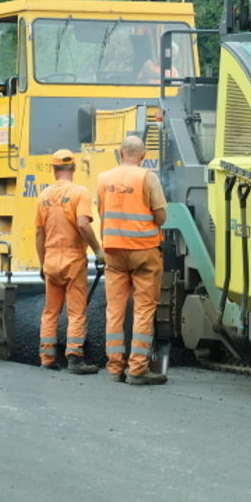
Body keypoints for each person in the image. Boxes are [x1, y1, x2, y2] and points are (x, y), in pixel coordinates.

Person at [97, 135, 168, 385]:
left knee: (114, 310)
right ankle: (138, 367)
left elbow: (102, 212)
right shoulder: (147, 177)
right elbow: (161, 217)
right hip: (143, 251)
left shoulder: (103, 179)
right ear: (143, 155)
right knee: (143, 308)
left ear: (120, 152)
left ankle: (114, 366)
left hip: (114, 251)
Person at [35, 148, 105, 374]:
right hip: (73, 258)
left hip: (51, 258)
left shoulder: (43, 196)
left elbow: (39, 233)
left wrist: (42, 263)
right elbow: (83, 224)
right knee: (76, 311)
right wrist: (97, 249)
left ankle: (47, 357)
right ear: (73, 168)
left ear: (54, 170)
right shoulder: (80, 193)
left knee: (50, 311)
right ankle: (74, 356)